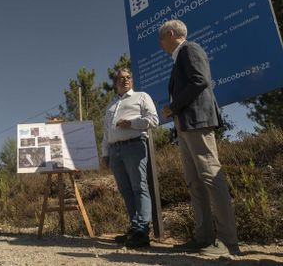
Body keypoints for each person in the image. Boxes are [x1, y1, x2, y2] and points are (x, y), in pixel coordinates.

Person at [158, 19, 238, 257]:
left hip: (197, 121)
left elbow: (200, 80)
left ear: (171, 34)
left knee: (211, 177)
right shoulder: (178, 58)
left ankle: (228, 241)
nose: (161, 44)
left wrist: (173, 106)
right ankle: (203, 237)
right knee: (195, 182)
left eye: (161, 39)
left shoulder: (190, 49)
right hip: (185, 125)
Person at [101, 68, 159, 248]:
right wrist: (105, 153)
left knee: (139, 187)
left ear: (132, 81)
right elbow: (106, 132)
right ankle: (134, 229)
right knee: (126, 190)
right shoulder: (111, 104)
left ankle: (142, 231)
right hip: (114, 151)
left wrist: (131, 123)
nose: (125, 80)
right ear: (115, 83)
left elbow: (154, 120)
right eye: (120, 78)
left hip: (134, 145)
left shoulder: (141, 96)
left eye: (128, 77)